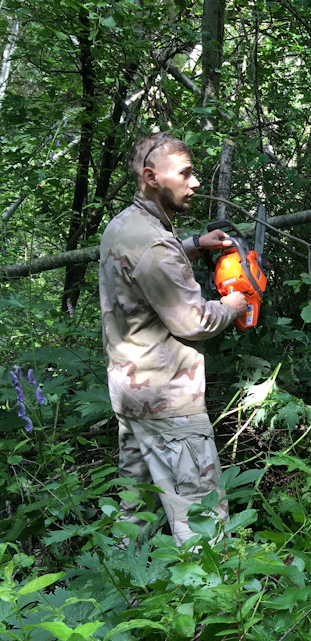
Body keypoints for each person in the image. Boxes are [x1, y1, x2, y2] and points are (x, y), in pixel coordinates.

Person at [99, 132, 247, 547]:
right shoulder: (153, 243)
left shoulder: (125, 226)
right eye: (185, 174)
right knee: (202, 522)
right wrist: (234, 304)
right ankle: (209, 602)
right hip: (170, 405)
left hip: (131, 395)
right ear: (151, 176)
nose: (194, 183)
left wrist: (195, 246)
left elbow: (146, 267)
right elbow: (193, 321)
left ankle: (127, 597)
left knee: (135, 518)